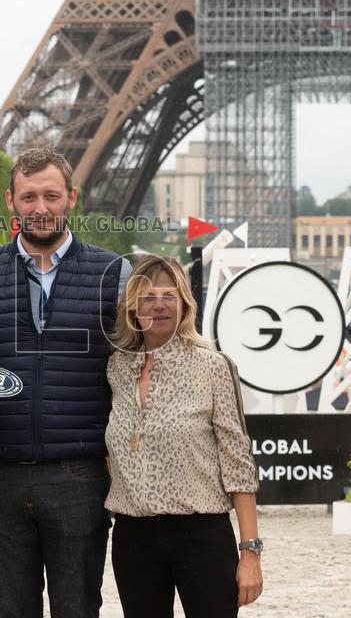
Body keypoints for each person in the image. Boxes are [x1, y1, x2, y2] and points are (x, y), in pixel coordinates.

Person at [0, 146, 131, 618]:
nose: (40, 208)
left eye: (50, 195)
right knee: (11, 611)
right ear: (10, 201)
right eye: (28, 197)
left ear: (71, 198)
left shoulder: (115, 273)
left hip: (79, 475)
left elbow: (131, 372)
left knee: (79, 609)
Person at [105, 255, 262, 618]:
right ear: (132, 306)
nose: (158, 304)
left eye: (168, 295)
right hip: (133, 539)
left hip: (202, 536)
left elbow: (238, 464)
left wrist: (250, 552)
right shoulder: (116, 368)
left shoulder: (212, 367)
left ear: (184, 304)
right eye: (147, 296)